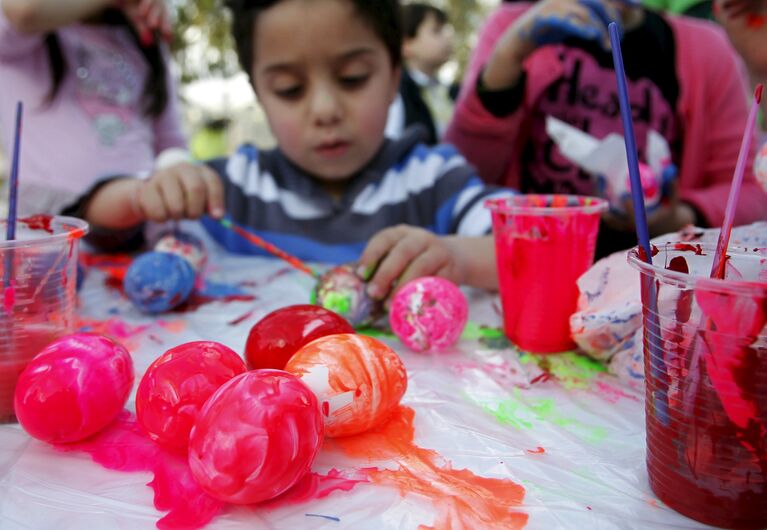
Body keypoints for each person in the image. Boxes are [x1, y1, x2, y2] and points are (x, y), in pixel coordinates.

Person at [72, 0, 513, 302]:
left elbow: (539, 244)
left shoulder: (434, 181)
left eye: (353, 78)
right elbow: (95, 226)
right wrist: (142, 195)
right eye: (290, 89)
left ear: (395, 75)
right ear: (259, 93)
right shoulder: (230, 190)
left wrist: (456, 257)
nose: (324, 110)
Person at [444, 0, 767, 257]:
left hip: (654, 285)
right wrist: (507, 58)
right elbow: (461, 175)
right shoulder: (513, 28)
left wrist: (675, 217)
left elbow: (751, 191)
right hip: (528, 267)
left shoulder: (705, 49)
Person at [0, 0, 187, 216]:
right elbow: (25, 10)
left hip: (144, 226)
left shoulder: (144, 42)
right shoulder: (20, 35)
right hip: (53, 227)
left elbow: (171, 144)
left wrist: (177, 179)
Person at [385, 3, 457, 144]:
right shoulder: (397, 95)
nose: (447, 38)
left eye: (445, 30)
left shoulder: (452, 92)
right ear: (406, 45)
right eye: (436, 31)